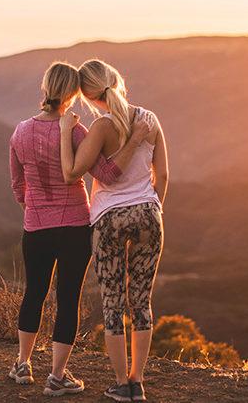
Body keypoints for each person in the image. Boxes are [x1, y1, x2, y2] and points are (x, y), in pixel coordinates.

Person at [8, 61, 150, 397]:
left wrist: (33, 206)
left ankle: (22, 364)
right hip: (75, 225)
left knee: (34, 292)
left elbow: (17, 183)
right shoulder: (76, 132)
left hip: (37, 225)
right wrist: (134, 144)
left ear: (45, 89)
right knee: (68, 297)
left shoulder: (20, 132)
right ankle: (57, 376)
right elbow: (107, 174)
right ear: (73, 94)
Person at [59, 59, 168, 402]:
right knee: (141, 301)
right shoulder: (149, 119)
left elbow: (77, 171)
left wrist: (65, 133)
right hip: (149, 215)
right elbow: (162, 175)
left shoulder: (102, 128)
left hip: (109, 220)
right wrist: (154, 208)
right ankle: (138, 380)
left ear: (89, 97)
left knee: (113, 303)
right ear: (118, 80)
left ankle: (122, 383)